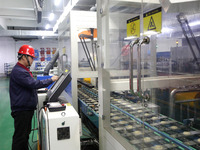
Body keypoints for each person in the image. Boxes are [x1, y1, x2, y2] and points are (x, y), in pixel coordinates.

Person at [9, 45, 59, 150]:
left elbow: (29, 85)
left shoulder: (23, 69)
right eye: (31, 57)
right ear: (24, 57)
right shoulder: (19, 71)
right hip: (22, 110)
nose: (32, 60)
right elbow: (33, 84)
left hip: (25, 108)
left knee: (24, 135)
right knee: (20, 137)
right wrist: (51, 79)